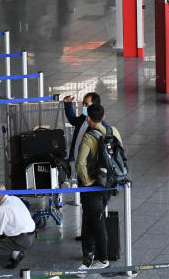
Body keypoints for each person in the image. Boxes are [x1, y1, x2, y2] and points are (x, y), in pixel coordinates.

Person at [76, 104, 122, 270]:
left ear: (88, 118)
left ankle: (103, 259)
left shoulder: (89, 137)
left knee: (96, 220)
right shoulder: (113, 131)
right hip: (109, 184)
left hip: (94, 186)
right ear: (103, 117)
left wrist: (86, 180)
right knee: (92, 217)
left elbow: (80, 163)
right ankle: (88, 254)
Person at [63, 92, 102, 169]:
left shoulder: (100, 127)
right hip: (77, 162)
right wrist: (68, 105)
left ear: (95, 106)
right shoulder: (84, 118)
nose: (83, 107)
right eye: (83, 104)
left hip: (88, 168)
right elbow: (74, 121)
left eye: (86, 104)